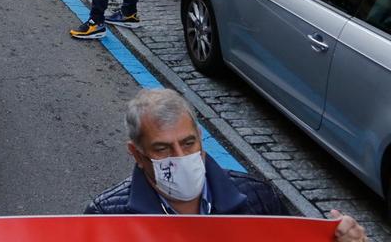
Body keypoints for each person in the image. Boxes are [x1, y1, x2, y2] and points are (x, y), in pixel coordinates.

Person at [85, 90, 369, 242]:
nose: (180, 156)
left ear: (200, 139)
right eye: (162, 148)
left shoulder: (258, 199)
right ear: (136, 154)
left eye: (188, 143)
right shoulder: (106, 216)